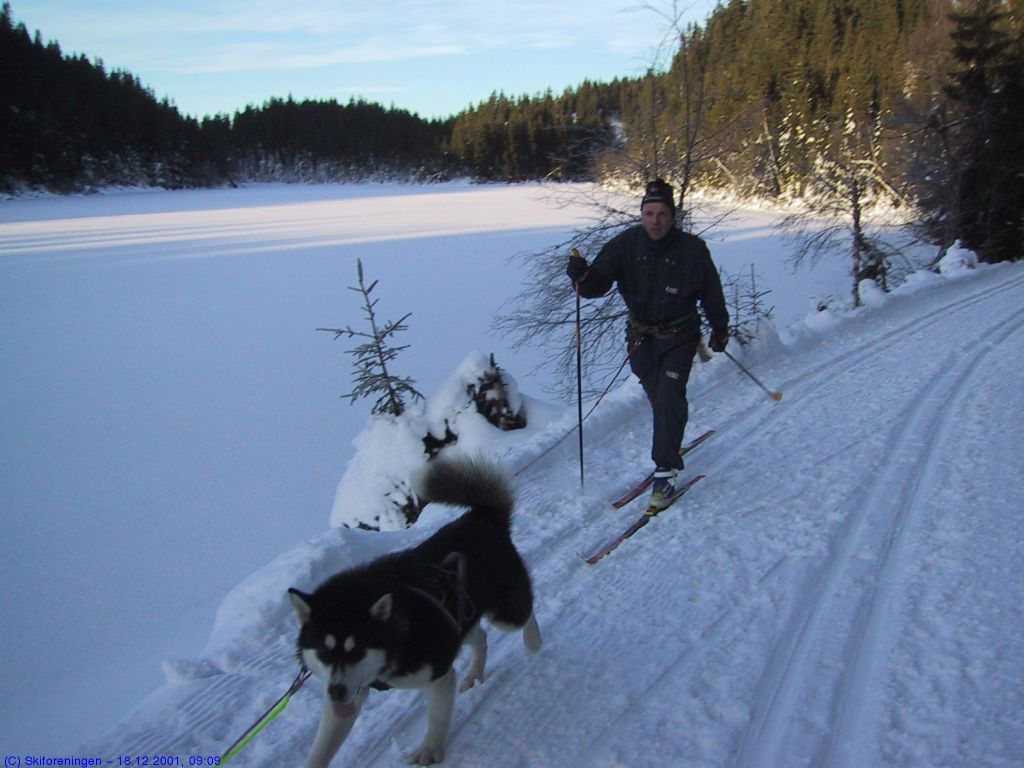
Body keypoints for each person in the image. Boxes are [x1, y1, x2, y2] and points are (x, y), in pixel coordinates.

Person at [566, 178, 729, 508]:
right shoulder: (626, 245)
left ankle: (665, 472)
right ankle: (671, 435)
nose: (655, 220)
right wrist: (581, 276)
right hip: (641, 340)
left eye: (662, 214)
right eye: (649, 213)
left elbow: (711, 291)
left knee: (669, 395)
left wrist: (720, 327)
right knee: (662, 400)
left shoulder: (692, 250)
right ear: (641, 214)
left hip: (680, 336)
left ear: (672, 217)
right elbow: (598, 283)